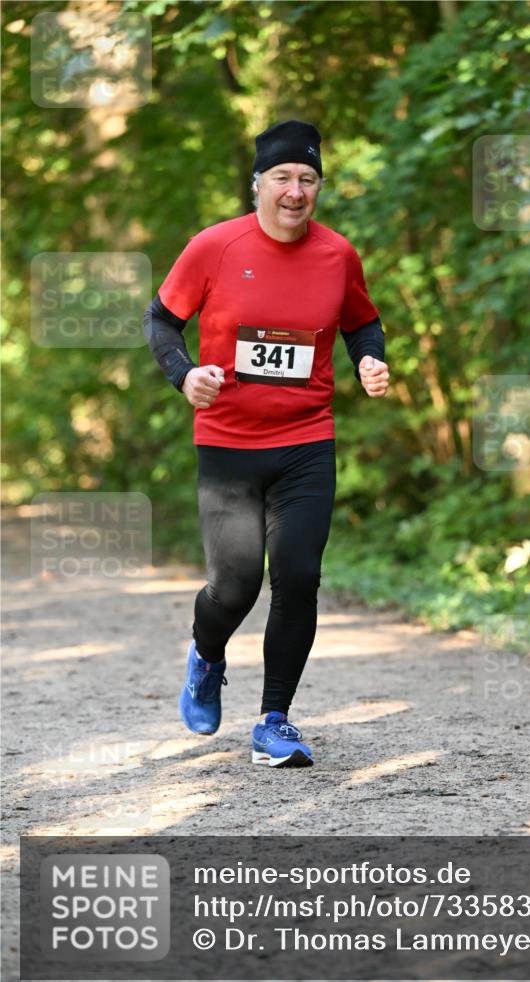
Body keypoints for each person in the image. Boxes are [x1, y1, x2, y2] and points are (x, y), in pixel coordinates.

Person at [143, 120, 389, 768]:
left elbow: (363, 323)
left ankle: (273, 720)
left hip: (306, 441)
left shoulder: (338, 255)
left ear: (319, 188)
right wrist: (184, 374)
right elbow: (161, 320)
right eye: (282, 177)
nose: (295, 191)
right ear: (258, 184)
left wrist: (369, 360)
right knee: (234, 586)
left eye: (308, 179)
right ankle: (207, 656)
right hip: (228, 444)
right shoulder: (214, 247)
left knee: (299, 576)